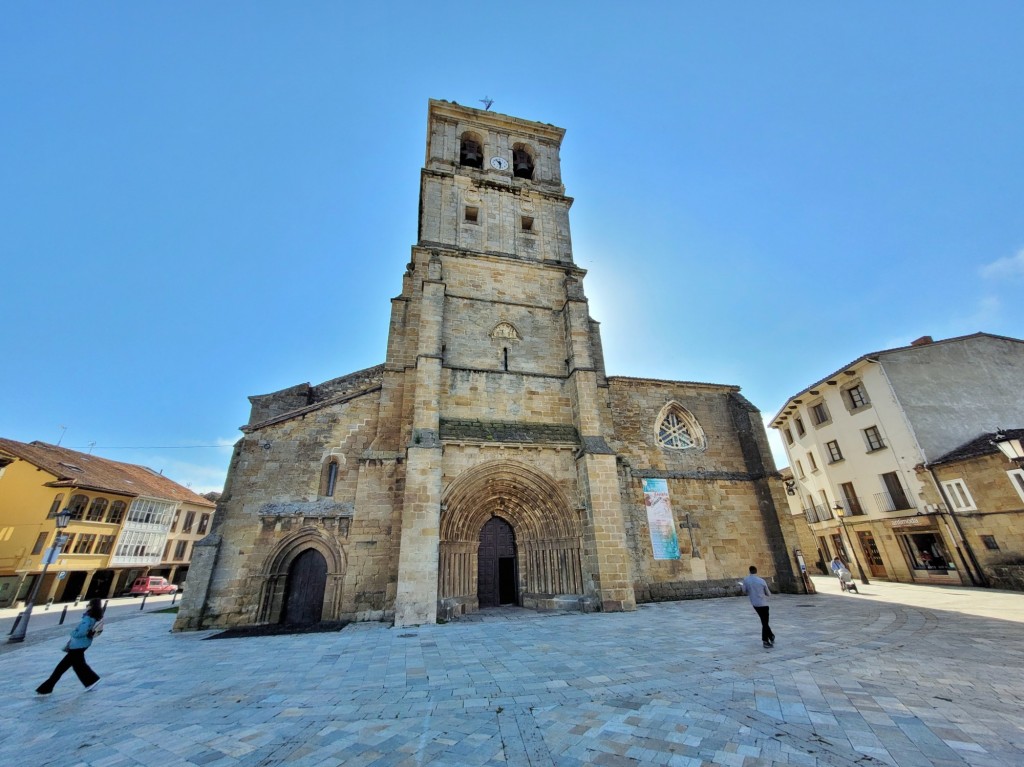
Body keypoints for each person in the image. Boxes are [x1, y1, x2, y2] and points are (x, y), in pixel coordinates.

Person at [36, 598, 104, 694]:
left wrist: (73, 633)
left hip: (78, 645)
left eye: (89, 604)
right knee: (74, 666)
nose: (87, 605)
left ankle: (46, 688)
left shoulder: (88, 617)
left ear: (92, 606)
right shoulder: (95, 616)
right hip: (82, 644)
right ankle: (46, 688)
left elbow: (82, 631)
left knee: (63, 667)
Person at [740, 565, 775, 648]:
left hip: (755, 604)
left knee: (764, 621)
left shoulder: (746, 580)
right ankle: (765, 641)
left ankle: (771, 635)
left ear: (749, 571)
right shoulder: (761, 581)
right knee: (765, 623)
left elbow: (744, 590)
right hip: (763, 604)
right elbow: (768, 594)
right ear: (756, 571)